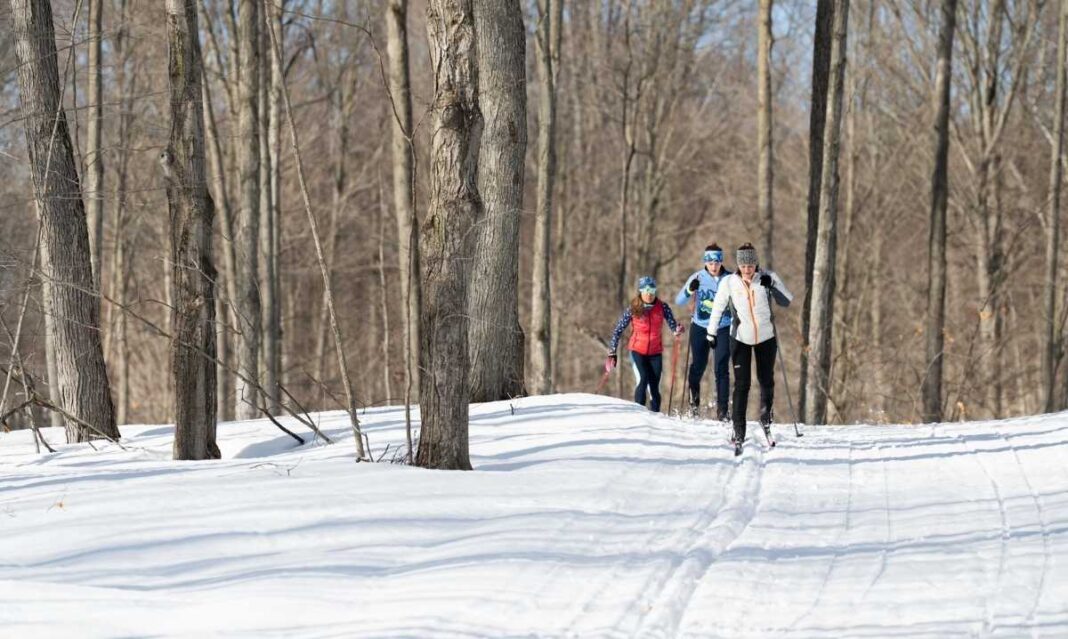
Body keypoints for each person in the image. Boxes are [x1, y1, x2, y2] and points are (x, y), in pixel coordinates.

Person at [705, 243, 793, 455]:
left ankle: (766, 421)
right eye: (743, 265)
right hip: (741, 339)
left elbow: (786, 300)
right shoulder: (729, 282)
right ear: (738, 265)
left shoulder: (767, 277)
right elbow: (717, 307)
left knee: (766, 381)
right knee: (742, 384)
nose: (747, 269)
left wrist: (771, 284)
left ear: (756, 263)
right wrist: (711, 332)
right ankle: (739, 430)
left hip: (766, 338)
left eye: (751, 264)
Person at [606, 276, 684, 412]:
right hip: (637, 351)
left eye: (652, 290)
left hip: (655, 352)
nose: (649, 294)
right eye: (646, 290)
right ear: (641, 291)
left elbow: (673, 325)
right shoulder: (633, 308)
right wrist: (612, 351)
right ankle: (639, 412)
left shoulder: (662, 307)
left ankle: (655, 415)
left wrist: (677, 330)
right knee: (643, 379)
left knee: (655, 386)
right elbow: (618, 330)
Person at [675, 244, 732, 420]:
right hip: (700, 326)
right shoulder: (698, 277)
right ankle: (694, 405)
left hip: (723, 327)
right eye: (709, 261)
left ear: (721, 261)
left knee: (721, 368)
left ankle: (722, 411)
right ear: (705, 262)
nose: (713, 265)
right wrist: (690, 289)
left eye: (716, 261)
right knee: (698, 366)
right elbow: (679, 300)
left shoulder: (730, 278)